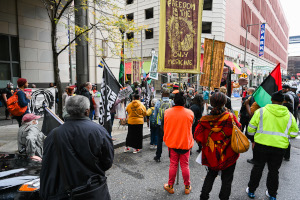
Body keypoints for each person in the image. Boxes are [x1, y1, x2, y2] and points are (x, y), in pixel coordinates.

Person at [40, 95, 114, 199]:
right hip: (93, 190)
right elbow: (107, 162)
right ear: (87, 111)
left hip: (65, 192)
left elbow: (48, 165)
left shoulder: (54, 134)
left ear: (68, 110)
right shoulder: (99, 131)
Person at [246, 91, 298, 200]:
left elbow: (250, 129)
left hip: (261, 145)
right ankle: (272, 194)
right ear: (282, 101)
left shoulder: (261, 111)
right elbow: (294, 133)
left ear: (271, 100)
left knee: (258, 168)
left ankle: (251, 190)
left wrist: (253, 139)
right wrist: (284, 135)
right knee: (274, 171)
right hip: (279, 147)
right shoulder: (289, 115)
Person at [194, 92, 241, 200]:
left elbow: (197, 136)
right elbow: (239, 129)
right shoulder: (230, 117)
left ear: (211, 102)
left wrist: (205, 143)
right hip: (229, 154)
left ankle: (204, 196)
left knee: (210, 176)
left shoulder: (205, 120)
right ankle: (224, 198)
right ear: (224, 103)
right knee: (227, 180)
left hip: (211, 155)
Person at [163, 92, 194, 195]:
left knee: (173, 165)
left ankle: (170, 186)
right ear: (184, 102)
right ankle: (187, 187)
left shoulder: (167, 112)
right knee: (185, 166)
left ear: (174, 101)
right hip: (185, 143)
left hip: (173, 143)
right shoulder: (190, 113)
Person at [153, 88, 173, 162]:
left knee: (159, 140)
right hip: (169, 124)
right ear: (168, 94)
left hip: (160, 124)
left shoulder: (158, 102)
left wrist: (156, 120)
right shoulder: (172, 102)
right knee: (170, 140)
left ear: (163, 94)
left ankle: (158, 156)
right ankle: (171, 155)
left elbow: (155, 114)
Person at [239, 88, 255, 164]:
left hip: (244, 115)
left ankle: (240, 139)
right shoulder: (255, 98)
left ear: (249, 91)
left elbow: (243, 106)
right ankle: (247, 138)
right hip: (251, 117)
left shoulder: (247, 98)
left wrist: (240, 112)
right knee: (249, 129)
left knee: (241, 127)